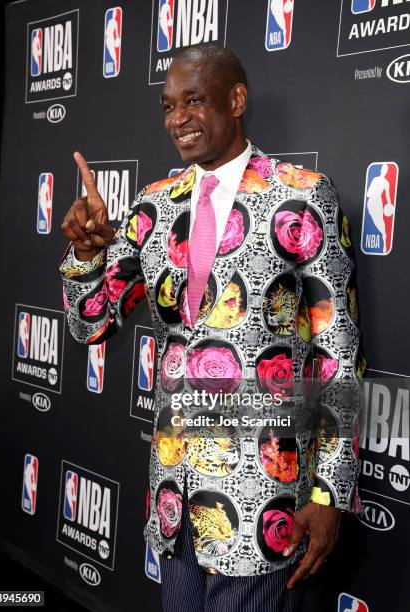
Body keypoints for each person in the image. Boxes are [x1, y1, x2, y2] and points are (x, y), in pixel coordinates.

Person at [58, 44, 364, 612]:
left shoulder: (300, 193)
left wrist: (330, 493)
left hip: (261, 503)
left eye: (193, 100)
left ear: (237, 99)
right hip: (174, 496)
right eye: (168, 105)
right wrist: (83, 254)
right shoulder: (152, 206)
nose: (177, 118)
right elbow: (89, 322)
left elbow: (337, 354)